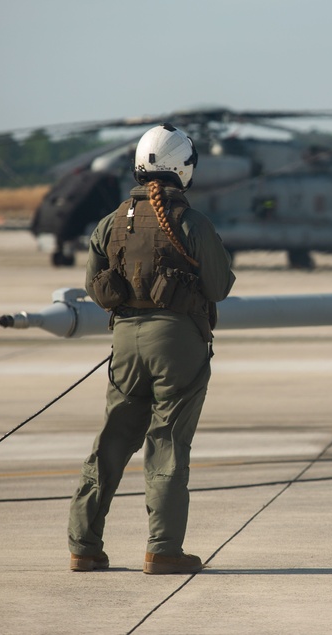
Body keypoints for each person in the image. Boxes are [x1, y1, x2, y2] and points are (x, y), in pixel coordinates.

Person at [67, 123, 235, 574]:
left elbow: (91, 285)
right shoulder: (191, 223)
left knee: (113, 439)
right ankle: (162, 550)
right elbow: (219, 287)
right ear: (183, 169)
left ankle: (83, 545)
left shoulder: (110, 223)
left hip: (125, 342)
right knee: (167, 444)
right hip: (177, 343)